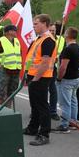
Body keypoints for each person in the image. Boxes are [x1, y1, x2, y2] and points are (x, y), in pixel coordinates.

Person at [24, 14, 57, 146]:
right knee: (34, 104)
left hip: (41, 77)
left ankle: (44, 134)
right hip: (34, 75)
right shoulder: (38, 39)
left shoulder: (48, 40)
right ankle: (32, 128)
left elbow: (45, 62)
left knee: (42, 105)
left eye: (36, 24)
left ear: (45, 24)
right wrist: (28, 74)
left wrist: (36, 78)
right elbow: (31, 58)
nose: (34, 26)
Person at [53, 27, 79, 133]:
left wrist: (59, 78)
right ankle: (73, 122)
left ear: (67, 36)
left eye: (65, 33)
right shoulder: (77, 47)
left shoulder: (68, 49)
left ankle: (64, 125)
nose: (64, 35)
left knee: (65, 103)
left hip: (67, 79)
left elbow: (63, 67)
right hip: (76, 77)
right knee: (73, 101)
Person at [0, 25, 21, 108]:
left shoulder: (17, 41)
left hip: (16, 70)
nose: (16, 32)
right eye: (14, 30)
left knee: (12, 93)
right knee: (2, 92)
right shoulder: (0, 41)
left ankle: (7, 110)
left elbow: (18, 54)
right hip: (5, 70)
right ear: (9, 32)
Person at [49, 22, 64, 121]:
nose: (51, 32)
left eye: (53, 31)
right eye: (50, 30)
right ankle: (36, 111)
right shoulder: (42, 38)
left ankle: (53, 111)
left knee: (53, 90)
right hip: (43, 67)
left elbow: (63, 53)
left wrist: (58, 58)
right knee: (40, 91)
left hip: (53, 68)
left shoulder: (61, 39)